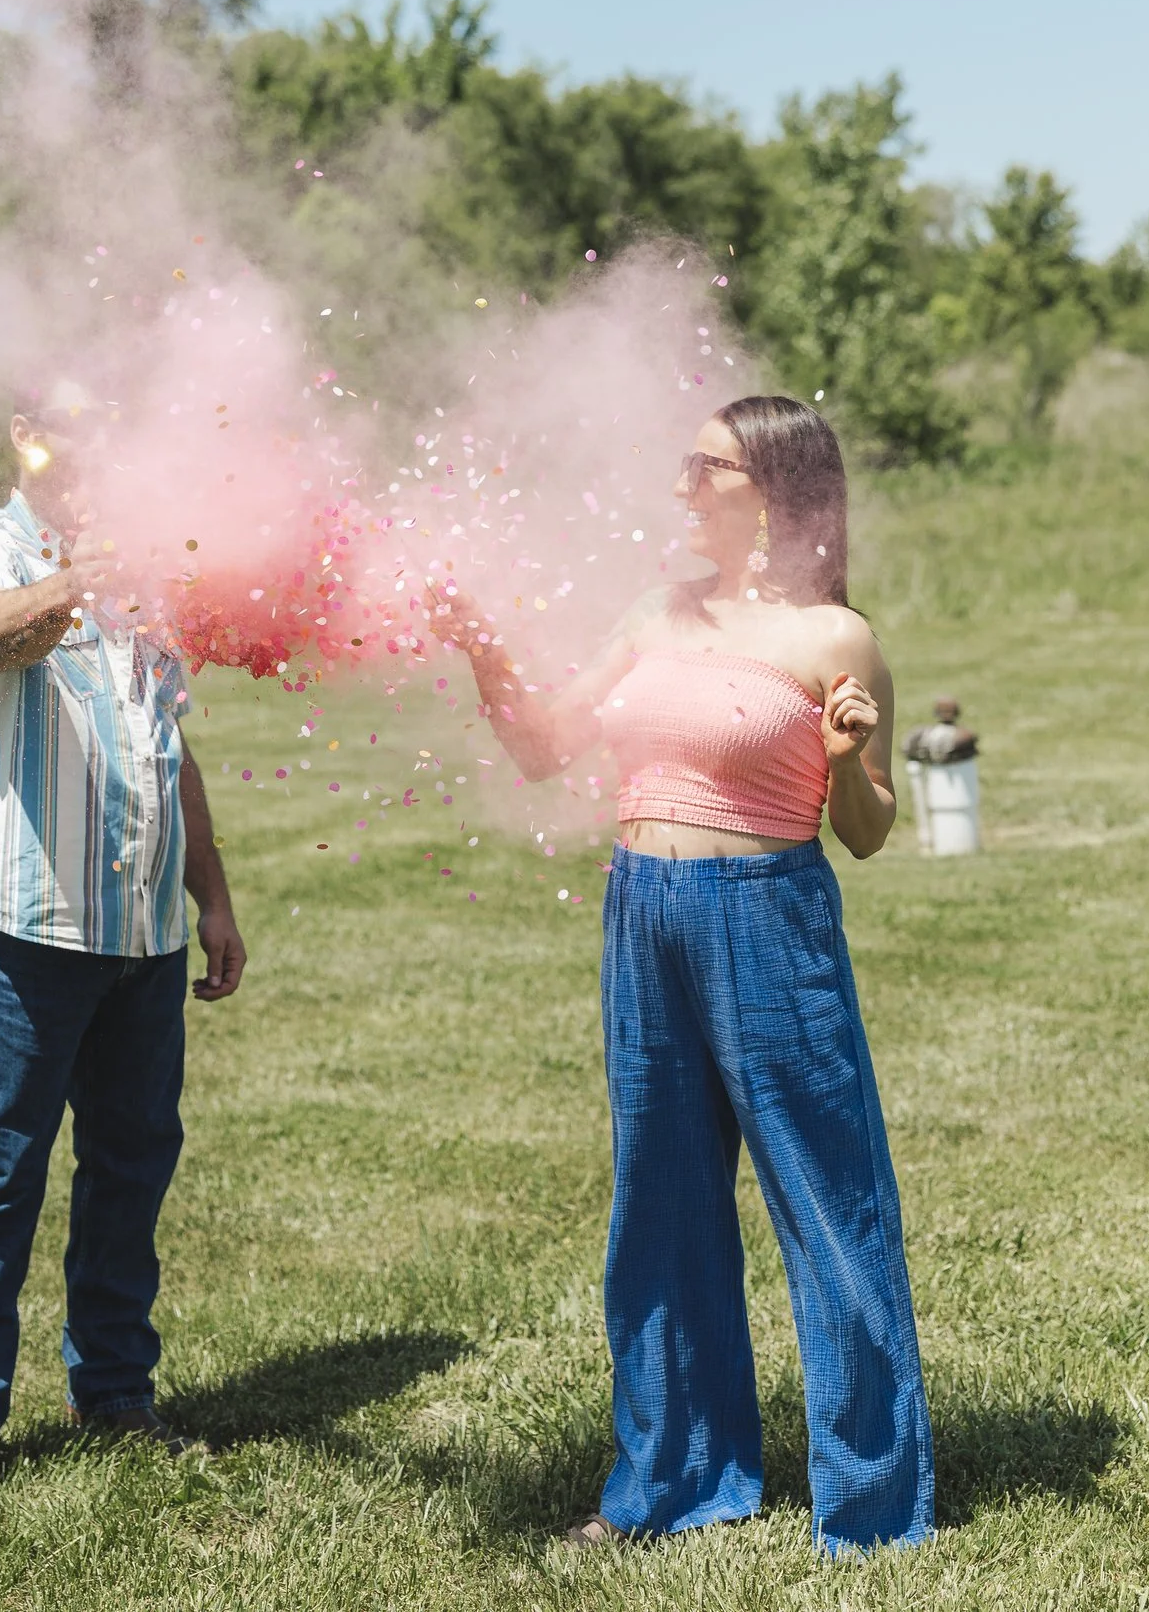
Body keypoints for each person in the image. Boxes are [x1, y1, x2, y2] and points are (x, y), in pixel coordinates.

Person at [449, 395, 935, 1553]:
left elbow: (866, 830)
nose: (680, 485)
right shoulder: (654, 612)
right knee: (659, 1203)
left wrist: (846, 758)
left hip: (767, 914)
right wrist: (481, 649)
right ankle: (672, 1481)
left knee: (827, 1197)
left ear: (769, 488)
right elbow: (543, 746)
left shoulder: (832, 637)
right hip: (643, 913)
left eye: (702, 466)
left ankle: (871, 1506)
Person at [0, 387, 248, 1514]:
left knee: (132, 1167)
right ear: (26, 432)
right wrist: (77, 581)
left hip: (143, 934)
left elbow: (167, 743)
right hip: (25, 929)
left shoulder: (148, 568)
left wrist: (212, 897)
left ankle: (114, 1395)